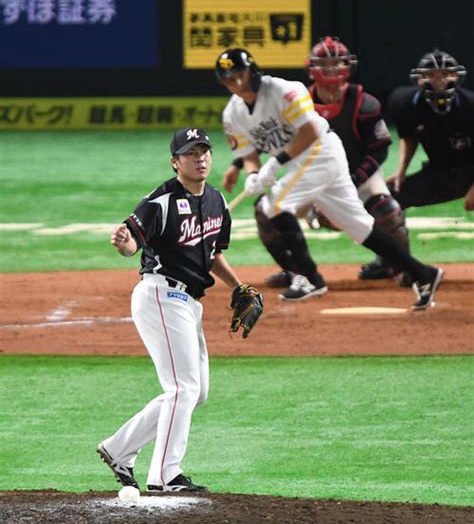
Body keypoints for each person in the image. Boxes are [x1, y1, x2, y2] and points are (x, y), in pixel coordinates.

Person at [97, 127, 262, 493]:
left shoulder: (217, 201)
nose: (199, 158)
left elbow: (213, 253)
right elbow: (131, 245)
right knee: (182, 388)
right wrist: (123, 244)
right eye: (190, 153)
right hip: (160, 296)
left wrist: (237, 286)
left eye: (204, 151)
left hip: (190, 303)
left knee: (195, 392)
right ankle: (165, 476)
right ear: (175, 162)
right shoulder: (160, 201)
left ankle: (119, 448)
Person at [216, 47, 443, 309]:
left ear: (252, 70)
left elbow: (310, 132)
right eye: (229, 78)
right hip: (301, 162)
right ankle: (423, 273)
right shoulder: (232, 114)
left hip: (320, 151)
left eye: (239, 74)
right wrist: (254, 172)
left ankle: (310, 278)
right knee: (360, 226)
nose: (236, 82)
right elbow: (248, 154)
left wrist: (275, 164)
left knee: (275, 205)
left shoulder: (283, 90)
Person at [387, 49, 474, 213]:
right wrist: (401, 171)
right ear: (420, 78)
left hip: (470, 172)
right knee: (386, 200)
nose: (439, 81)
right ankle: (393, 238)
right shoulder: (405, 102)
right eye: (431, 74)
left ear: (456, 75)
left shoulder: (470, 105)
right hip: (439, 172)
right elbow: (409, 137)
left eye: (445, 74)